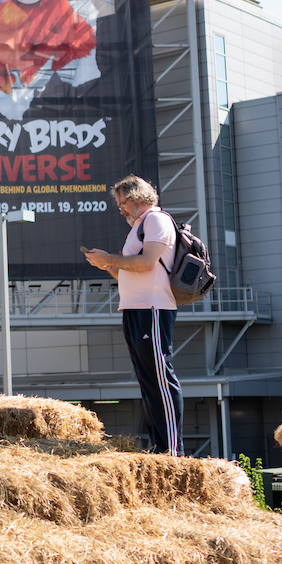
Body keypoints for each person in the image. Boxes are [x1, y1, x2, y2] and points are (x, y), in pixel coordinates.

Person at [83, 175, 183, 455]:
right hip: (135, 309)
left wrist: (111, 259)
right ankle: (161, 448)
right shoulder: (140, 225)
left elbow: (147, 263)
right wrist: (107, 265)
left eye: (122, 203)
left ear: (138, 198)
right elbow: (131, 269)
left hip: (152, 309)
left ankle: (172, 451)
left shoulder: (156, 220)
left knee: (160, 379)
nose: (121, 210)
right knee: (149, 381)